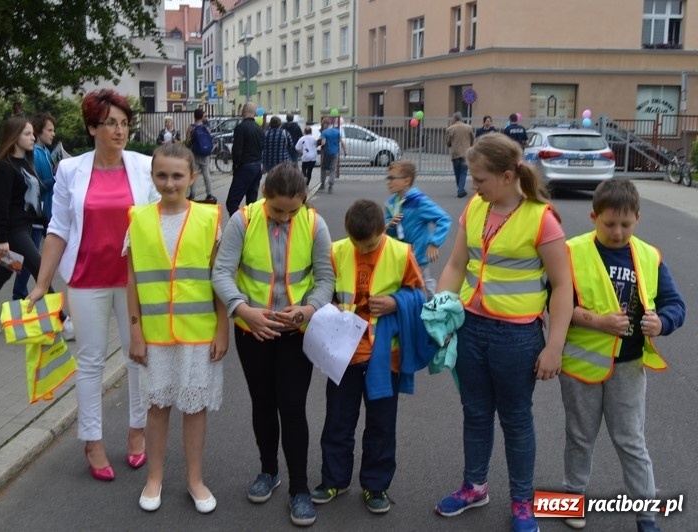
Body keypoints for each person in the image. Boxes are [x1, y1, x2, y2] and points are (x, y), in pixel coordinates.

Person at [433, 133, 573, 532]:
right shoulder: (475, 208)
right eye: (473, 180)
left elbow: (562, 287)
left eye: (480, 180)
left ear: (508, 175)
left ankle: (523, 502)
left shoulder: (541, 219)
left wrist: (555, 348)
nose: (473, 187)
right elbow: (457, 265)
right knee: (475, 413)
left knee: (515, 419)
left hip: (517, 336)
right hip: (471, 328)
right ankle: (475, 486)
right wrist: (442, 313)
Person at [28, 89, 159, 482]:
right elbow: (58, 230)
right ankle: (92, 439)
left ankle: (137, 431)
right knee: (90, 361)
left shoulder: (144, 166)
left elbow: (159, 223)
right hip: (86, 279)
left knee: (139, 358)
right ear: (92, 127)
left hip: (133, 281)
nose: (120, 131)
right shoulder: (71, 171)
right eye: (110, 124)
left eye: (124, 123)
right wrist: (42, 285)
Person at [212, 162, 335, 527]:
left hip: (296, 331)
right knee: (263, 403)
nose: (284, 217)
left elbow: (325, 279)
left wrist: (309, 309)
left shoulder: (314, 223)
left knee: (293, 406)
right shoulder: (243, 221)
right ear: (264, 198)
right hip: (254, 329)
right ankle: (269, 471)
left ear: (303, 201)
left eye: (292, 210)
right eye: (277, 209)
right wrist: (242, 310)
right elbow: (221, 271)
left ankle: (299, 488)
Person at [559, 179, 685, 532]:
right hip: (581, 366)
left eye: (625, 225)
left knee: (631, 442)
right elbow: (555, 304)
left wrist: (662, 322)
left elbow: (676, 304)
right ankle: (573, 500)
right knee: (579, 437)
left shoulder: (649, 256)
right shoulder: (572, 251)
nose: (617, 232)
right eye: (609, 224)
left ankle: (647, 516)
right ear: (593, 216)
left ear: (638, 220)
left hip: (628, 367)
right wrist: (596, 321)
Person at [126, 143, 228, 514]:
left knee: (194, 407)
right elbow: (133, 280)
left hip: (198, 331)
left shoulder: (209, 218)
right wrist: (135, 331)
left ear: (193, 177)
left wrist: (222, 329)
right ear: (153, 177)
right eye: (162, 175)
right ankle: (154, 478)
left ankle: (195, 480)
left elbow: (220, 278)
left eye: (177, 176)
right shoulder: (138, 218)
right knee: (156, 406)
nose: (169, 183)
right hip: (154, 333)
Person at [310, 199, 426, 515]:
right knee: (337, 421)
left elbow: (419, 295)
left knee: (381, 425)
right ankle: (334, 479)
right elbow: (323, 292)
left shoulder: (401, 253)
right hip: (343, 356)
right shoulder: (336, 251)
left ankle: (376, 486)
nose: (363, 250)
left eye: (370, 244)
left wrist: (394, 302)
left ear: (382, 229)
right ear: (347, 233)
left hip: (383, 359)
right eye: (357, 243)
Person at [0, 116, 73, 338]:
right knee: (41, 271)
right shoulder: (5, 167)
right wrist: (2, 238)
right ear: (14, 137)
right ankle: (63, 322)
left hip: (23, 228)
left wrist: (47, 224)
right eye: (27, 133)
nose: (32, 137)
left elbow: (32, 201)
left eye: (33, 133)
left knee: (2, 274)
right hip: (13, 233)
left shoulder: (26, 162)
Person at [384, 160, 452, 296]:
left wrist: (434, 242)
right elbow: (387, 228)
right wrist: (389, 225)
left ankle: (430, 307)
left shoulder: (419, 201)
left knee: (415, 286)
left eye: (392, 178)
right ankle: (428, 304)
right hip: (400, 255)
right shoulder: (391, 203)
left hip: (417, 256)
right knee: (416, 285)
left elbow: (444, 219)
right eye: (387, 178)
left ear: (406, 181)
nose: (388, 181)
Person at [13, 112, 57, 300]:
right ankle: (20, 294)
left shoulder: (45, 152)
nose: (53, 134)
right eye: (50, 130)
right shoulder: (34, 155)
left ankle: (19, 294)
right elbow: (35, 186)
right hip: (32, 217)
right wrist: (56, 178)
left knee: (19, 261)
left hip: (41, 214)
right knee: (29, 260)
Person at [227, 102, 264, 216]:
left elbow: (237, 150)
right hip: (258, 167)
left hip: (245, 167)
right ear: (254, 113)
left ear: (243, 111)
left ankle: (238, 226)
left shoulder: (241, 128)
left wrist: (235, 166)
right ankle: (251, 226)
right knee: (252, 203)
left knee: (232, 202)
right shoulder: (259, 129)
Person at [184, 108, 216, 203]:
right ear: (202, 116)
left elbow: (187, 141)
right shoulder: (206, 128)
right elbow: (210, 139)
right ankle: (209, 194)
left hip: (195, 154)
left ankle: (192, 194)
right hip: (205, 154)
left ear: (194, 116)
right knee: (206, 174)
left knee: (194, 174)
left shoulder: (191, 127)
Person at [445, 112, 475, 198]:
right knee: (463, 172)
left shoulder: (450, 129)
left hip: (455, 153)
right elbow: (472, 139)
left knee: (457, 172)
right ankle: (461, 189)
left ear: (454, 118)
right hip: (466, 152)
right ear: (462, 118)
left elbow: (448, 143)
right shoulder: (468, 127)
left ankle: (460, 189)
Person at [319, 117, 346, 194]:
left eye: (323, 124)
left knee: (323, 168)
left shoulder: (324, 132)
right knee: (332, 169)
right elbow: (342, 142)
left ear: (325, 124)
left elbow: (323, 143)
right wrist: (345, 151)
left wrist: (318, 145)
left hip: (327, 153)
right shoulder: (337, 131)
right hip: (335, 153)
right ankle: (331, 186)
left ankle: (323, 184)